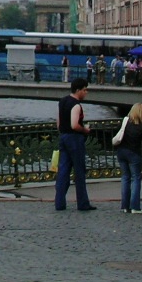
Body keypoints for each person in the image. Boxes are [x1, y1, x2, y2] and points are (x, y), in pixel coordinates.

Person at [54, 78, 95, 212]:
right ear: (78, 90)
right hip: (75, 139)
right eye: (84, 90)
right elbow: (74, 125)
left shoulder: (62, 101)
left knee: (63, 171)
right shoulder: (76, 105)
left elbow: (59, 123)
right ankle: (82, 203)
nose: (86, 92)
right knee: (79, 171)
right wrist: (85, 130)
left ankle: (59, 203)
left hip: (63, 137)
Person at [113, 102, 142, 213]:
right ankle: (135, 206)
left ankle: (125, 206)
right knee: (136, 178)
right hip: (134, 153)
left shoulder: (125, 122)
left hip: (121, 152)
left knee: (125, 178)